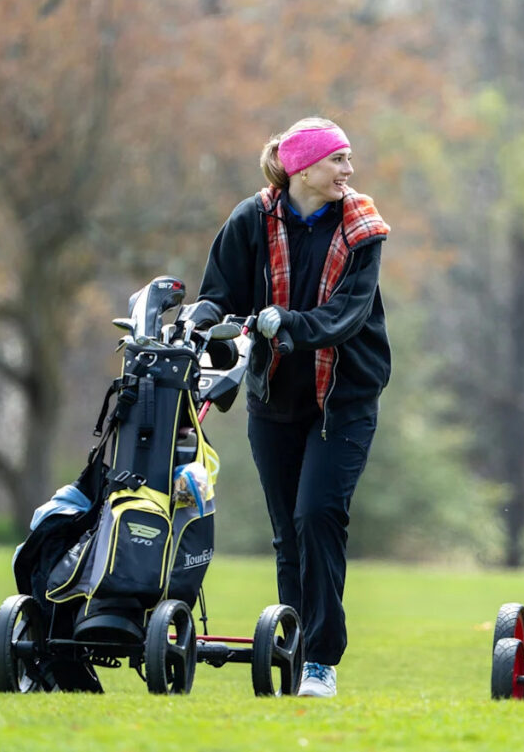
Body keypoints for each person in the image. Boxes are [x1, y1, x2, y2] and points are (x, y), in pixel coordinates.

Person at [183, 117, 391, 698]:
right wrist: (203, 321)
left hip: (343, 398)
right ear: (303, 168)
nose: (349, 172)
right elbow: (219, 291)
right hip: (274, 396)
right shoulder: (251, 218)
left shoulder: (362, 227)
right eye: (338, 161)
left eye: (349, 160)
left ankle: (322, 660)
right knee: (287, 534)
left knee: (317, 517)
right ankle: (293, 648)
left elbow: (348, 315)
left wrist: (289, 323)